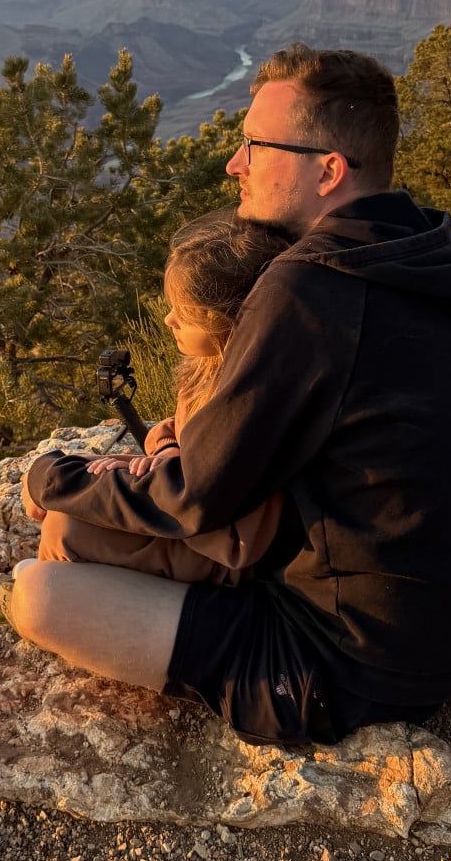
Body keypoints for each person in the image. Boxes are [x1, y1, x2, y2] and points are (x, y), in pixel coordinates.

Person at [9, 42, 451, 746]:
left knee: (37, 592)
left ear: (329, 170)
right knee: (79, 531)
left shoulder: (312, 289)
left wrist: (51, 475)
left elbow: (196, 496)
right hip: (448, 624)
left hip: (350, 666)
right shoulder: (425, 249)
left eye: (255, 144)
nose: (235, 163)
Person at [37, 207, 292, 584]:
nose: (169, 320)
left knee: (65, 529)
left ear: (226, 317)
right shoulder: (204, 367)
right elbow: (188, 438)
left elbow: (204, 492)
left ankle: (73, 621)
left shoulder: (247, 393)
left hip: (226, 549)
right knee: (74, 499)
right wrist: (166, 448)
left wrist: (50, 481)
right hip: (196, 518)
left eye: (184, 313)